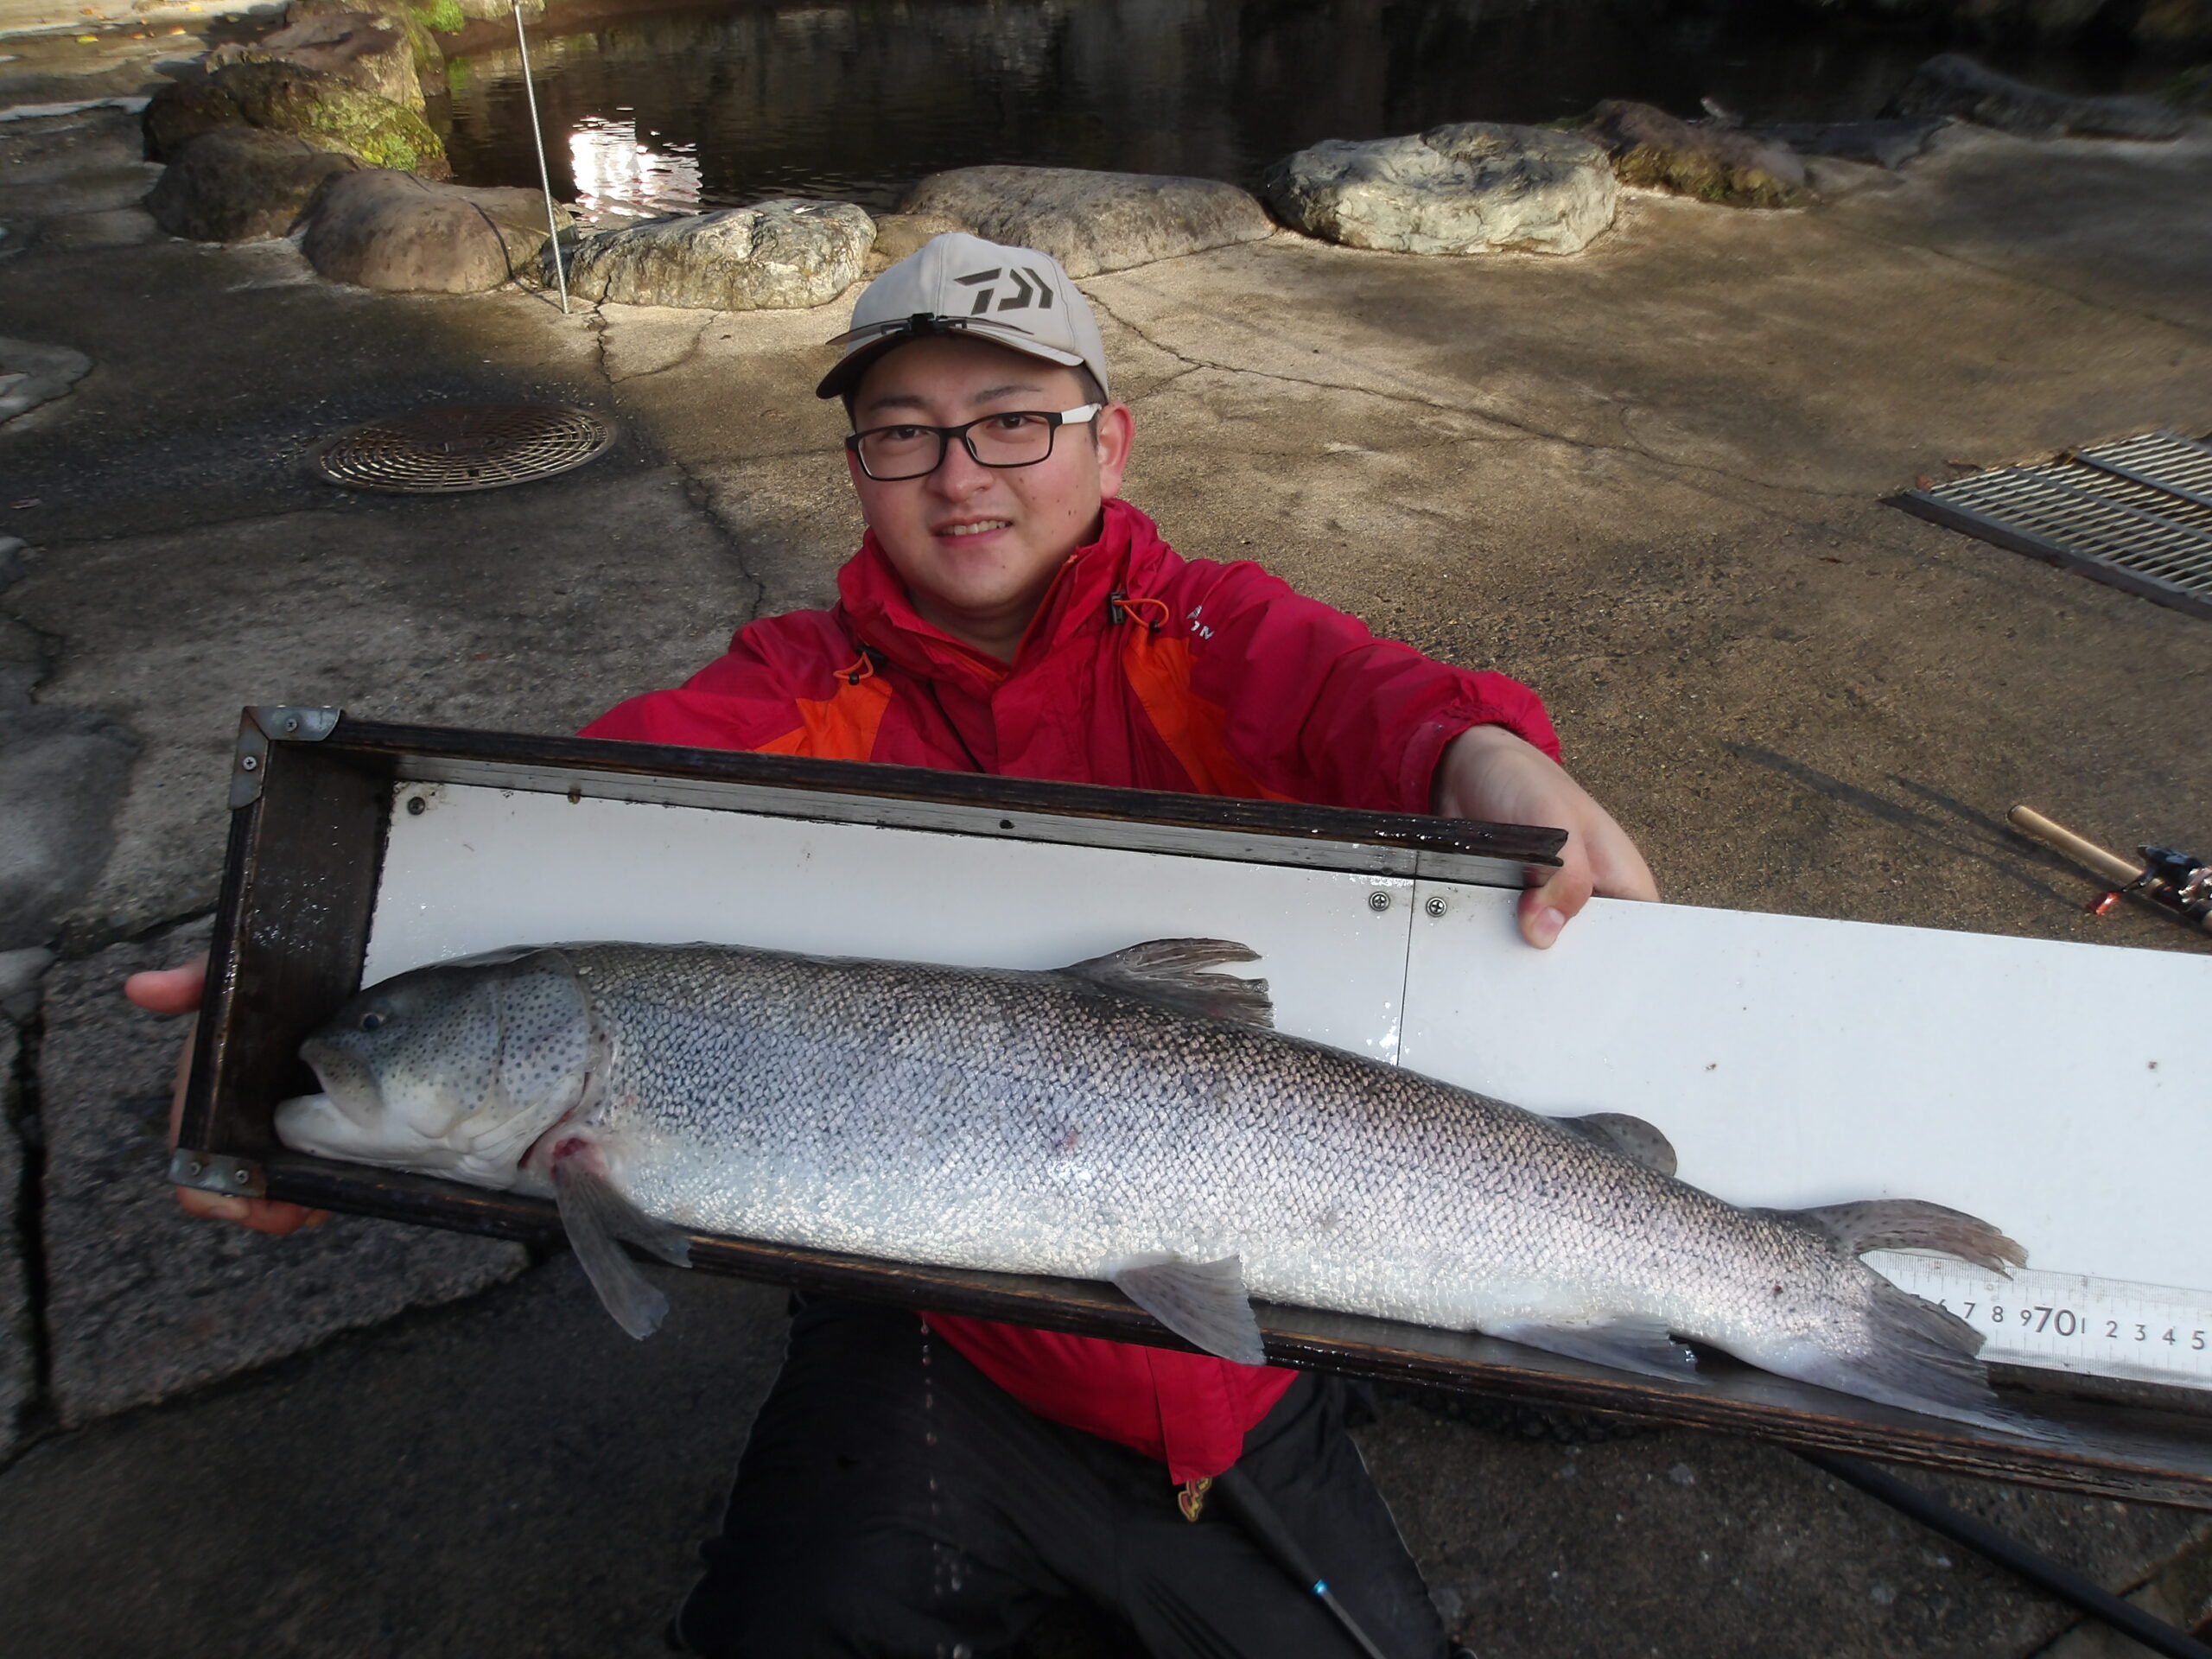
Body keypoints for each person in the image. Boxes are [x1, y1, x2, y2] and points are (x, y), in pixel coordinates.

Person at [129, 233, 1657, 1658]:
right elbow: (557, 811)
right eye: (903, 433)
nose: (959, 475)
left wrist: (1483, 752)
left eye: (1012, 422)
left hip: (1236, 1369)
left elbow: (1357, 694)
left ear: (1108, 443)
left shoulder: (1207, 630)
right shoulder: (797, 683)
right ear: (858, 468)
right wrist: (315, 945)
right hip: (943, 1347)